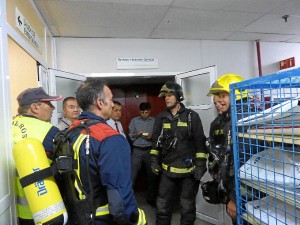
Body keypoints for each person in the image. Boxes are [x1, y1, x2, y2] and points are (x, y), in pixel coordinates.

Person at [68, 80, 146, 225]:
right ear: (100, 102)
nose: (112, 104)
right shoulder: (110, 139)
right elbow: (120, 198)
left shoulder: (70, 132)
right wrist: (134, 220)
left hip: (75, 216)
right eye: (110, 99)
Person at [150, 81, 207, 225]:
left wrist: (200, 166)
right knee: (162, 206)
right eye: (165, 96)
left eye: (170, 95)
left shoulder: (192, 116)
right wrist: (153, 161)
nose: (167, 98)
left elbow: (200, 143)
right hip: (167, 172)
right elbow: (155, 142)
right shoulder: (161, 117)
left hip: (188, 173)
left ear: (179, 96)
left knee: (187, 207)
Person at [12, 87, 63, 225]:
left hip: (12, 210)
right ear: (34, 107)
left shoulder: (9, 125)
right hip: (45, 207)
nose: (53, 108)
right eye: (49, 103)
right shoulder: (48, 131)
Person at [205, 74, 249, 225]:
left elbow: (246, 165)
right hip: (228, 188)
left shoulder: (247, 122)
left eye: (222, 95)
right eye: (215, 97)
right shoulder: (217, 123)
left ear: (237, 94)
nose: (217, 101)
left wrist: (234, 198)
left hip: (245, 194)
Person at [128, 102, 158, 207]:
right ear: (139, 111)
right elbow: (131, 137)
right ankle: (128, 199)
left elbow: (158, 137)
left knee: (152, 176)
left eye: (146, 112)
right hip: (137, 151)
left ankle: (151, 198)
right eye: (142, 112)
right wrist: (137, 134)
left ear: (150, 111)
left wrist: (152, 137)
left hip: (150, 151)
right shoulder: (134, 121)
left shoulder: (155, 121)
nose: (144, 114)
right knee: (132, 175)